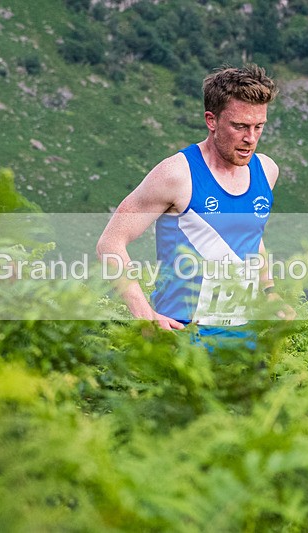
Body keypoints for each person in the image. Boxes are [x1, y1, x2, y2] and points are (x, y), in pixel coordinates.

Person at [96, 64, 292, 343]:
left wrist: (270, 292)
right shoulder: (176, 174)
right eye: (239, 126)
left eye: (258, 126)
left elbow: (250, 235)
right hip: (182, 339)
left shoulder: (266, 170)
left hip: (243, 340)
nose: (250, 138)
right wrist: (145, 315)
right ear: (211, 120)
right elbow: (109, 243)